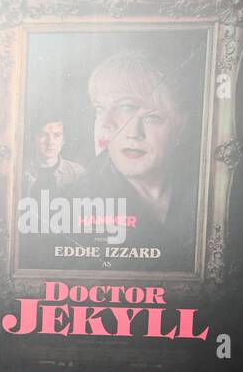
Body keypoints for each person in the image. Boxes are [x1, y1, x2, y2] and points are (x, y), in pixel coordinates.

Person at [62, 52, 195, 270]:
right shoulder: (74, 203)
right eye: (100, 109)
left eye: (151, 117)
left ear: (180, 126)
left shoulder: (210, 188)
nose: (132, 133)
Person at [23, 115, 84, 198]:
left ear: (63, 141)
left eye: (57, 135)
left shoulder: (77, 173)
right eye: (43, 135)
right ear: (33, 138)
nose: (50, 142)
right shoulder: (20, 170)